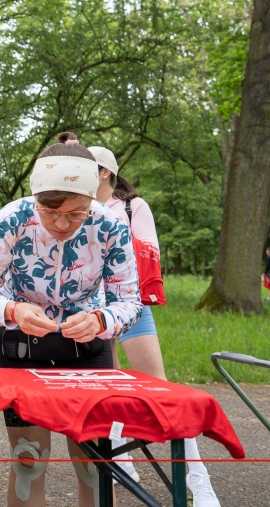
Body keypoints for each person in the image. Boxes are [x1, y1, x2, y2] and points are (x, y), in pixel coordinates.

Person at [0, 133, 142, 507]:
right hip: (19, 345)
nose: (62, 223)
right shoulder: (11, 219)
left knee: (93, 464)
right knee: (28, 461)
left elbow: (129, 302)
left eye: (76, 213)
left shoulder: (110, 225)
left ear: (93, 198)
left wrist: (101, 319)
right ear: (35, 199)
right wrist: (12, 310)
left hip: (88, 346)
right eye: (49, 211)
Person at [89, 145, 221, 507]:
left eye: (87, 168)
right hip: (90, 310)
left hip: (129, 306)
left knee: (162, 390)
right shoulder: (78, 206)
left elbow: (146, 255)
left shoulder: (133, 206)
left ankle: (198, 479)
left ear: (104, 172)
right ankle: (121, 460)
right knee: (107, 387)